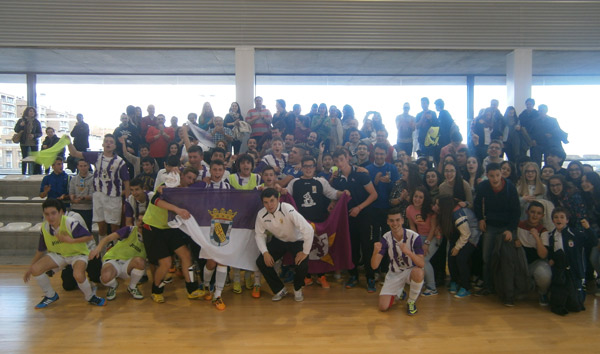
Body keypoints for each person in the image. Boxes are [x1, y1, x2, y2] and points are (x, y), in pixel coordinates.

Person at [23, 199, 105, 308]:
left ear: (60, 212)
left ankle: (90, 297)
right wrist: (30, 267)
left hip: (78, 254)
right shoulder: (45, 227)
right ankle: (50, 295)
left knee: (78, 275)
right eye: (47, 214)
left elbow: (89, 237)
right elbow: (41, 250)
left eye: (53, 213)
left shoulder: (70, 222)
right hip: (60, 255)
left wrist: (70, 240)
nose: (50, 217)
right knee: (36, 269)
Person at [142, 172, 202, 303]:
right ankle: (156, 290)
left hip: (169, 228)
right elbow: (155, 200)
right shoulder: (167, 185)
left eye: (193, 179)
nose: (191, 181)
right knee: (166, 263)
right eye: (188, 177)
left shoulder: (186, 192)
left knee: (186, 255)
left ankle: (191, 290)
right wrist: (177, 210)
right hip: (153, 228)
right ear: (182, 176)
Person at [287, 156, 346, 288]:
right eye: (305, 166)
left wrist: (343, 194)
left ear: (315, 168)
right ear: (301, 167)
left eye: (311, 166)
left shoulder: (321, 181)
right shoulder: (294, 182)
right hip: (300, 224)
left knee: (320, 250)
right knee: (303, 250)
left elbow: (332, 193)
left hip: (319, 223)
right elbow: (287, 196)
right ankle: (306, 276)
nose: (308, 169)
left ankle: (321, 276)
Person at [331, 149, 378, 292]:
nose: (339, 163)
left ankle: (370, 278)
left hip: (365, 217)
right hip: (348, 219)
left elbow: (374, 194)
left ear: (347, 158)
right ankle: (353, 276)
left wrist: (359, 207)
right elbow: (336, 197)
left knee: (367, 248)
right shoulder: (337, 179)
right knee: (352, 249)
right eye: (336, 161)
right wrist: (332, 204)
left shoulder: (360, 174)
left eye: (341, 159)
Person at [68, 134, 130, 241]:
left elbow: (126, 182)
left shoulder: (120, 162)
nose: (108, 143)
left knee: (114, 227)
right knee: (101, 227)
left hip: (114, 197)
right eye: (106, 141)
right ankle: (102, 253)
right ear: (103, 144)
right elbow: (74, 153)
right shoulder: (97, 156)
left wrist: (128, 201)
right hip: (98, 196)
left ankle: (114, 253)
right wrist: (68, 142)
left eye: (111, 142)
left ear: (115, 146)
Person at [255, 188, 314, 302]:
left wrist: (305, 252)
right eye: (266, 202)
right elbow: (259, 235)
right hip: (280, 241)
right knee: (261, 262)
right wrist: (265, 252)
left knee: (302, 265)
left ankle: (297, 289)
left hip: (297, 241)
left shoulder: (287, 209)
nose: (269, 205)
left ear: (278, 199)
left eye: (272, 201)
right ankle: (279, 289)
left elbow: (309, 230)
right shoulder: (261, 215)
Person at [473, 163, 520, 296]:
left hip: (507, 227)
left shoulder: (510, 187)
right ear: (487, 175)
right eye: (492, 176)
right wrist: (480, 219)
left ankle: (507, 289)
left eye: (498, 175)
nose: (495, 179)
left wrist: (511, 229)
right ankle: (488, 286)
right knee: (486, 258)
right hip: (491, 226)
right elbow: (477, 204)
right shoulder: (483, 186)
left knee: (507, 259)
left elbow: (516, 211)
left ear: (502, 174)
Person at [371, 208, 424, 314]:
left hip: (410, 271)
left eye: (397, 220)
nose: (395, 223)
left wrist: (408, 252)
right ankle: (399, 292)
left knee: (418, 272)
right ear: (387, 222)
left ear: (402, 220)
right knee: (383, 307)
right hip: (394, 273)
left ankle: (411, 302)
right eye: (391, 220)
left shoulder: (414, 236)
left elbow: (421, 263)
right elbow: (374, 266)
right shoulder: (386, 238)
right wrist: (375, 251)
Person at [89, 214, 147, 301]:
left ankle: (132, 287)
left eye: (143, 221)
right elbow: (107, 238)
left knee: (140, 262)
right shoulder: (129, 230)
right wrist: (98, 249)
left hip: (129, 264)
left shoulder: (151, 238)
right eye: (139, 221)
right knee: (105, 278)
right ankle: (113, 286)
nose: (140, 223)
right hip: (113, 259)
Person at [546, 208, 590, 315]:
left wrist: (588, 229)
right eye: (556, 217)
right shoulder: (551, 236)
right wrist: (551, 259)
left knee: (576, 305)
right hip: (560, 270)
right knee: (559, 301)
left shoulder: (575, 234)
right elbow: (550, 252)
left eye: (562, 217)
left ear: (567, 220)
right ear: (552, 220)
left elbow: (591, 241)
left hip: (574, 271)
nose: (558, 219)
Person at [516, 201, 551, 306]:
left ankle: (542, 293)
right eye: (532, 212)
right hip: (520, 263)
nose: (535, 215)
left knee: (544, 275)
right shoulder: (519, 225)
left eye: (538, 213)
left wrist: (536, 237)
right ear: (527, 212)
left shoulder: (543, 231)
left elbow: (543, 255)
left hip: (536, 263)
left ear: (542, 216)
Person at [405, 186, 438, 296]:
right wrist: (417, 241)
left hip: (433, 237)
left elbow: (433, 229)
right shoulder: (409, 209)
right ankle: (420, 282)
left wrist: (426, 243)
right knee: (416, 260)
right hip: (420, 236)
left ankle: (432, 288)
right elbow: (412, 226)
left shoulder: (430, 210)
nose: (417, 199)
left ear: (425, 199)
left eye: (420, 197)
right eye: (415, 196)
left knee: (424, 260)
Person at [366, 143, 400, 247]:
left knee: (389, 237)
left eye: (381, 154)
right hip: (373, 208)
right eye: (377, 153)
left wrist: (389, 182)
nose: (379, 156)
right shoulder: (368, 169)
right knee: (374, 238)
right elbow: (364, 191)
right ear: (373, 154)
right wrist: (375, 183)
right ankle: (374, 261)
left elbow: (398, 188)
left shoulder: (392, 168)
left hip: (388, 208)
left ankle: (387, 261)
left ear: (386, 155)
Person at [14, 106, 42, 175]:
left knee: (35, 158)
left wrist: (34, 135)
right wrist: (21, 125)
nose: (32, 113)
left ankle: (35, 173)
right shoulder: (21, 120)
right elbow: (16, 130)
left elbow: (40, 133)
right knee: (24, 158)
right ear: (27, 112)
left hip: (34, 142)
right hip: (24, 142)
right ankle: (23, 173)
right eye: (30, 111)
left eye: (33, 111)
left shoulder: (36, 122)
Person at [69, 159, 94, 231]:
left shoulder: (93, 179)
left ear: (88, 166)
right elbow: (71, 192)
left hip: (88, 209)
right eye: (81, 166)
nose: (83, 168)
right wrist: (73, 198)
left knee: (87, 230)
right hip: (75, 208)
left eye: (85, 166)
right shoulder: (73, 179)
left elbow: (92, 195)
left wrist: (82, 198)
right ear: (78, 167)